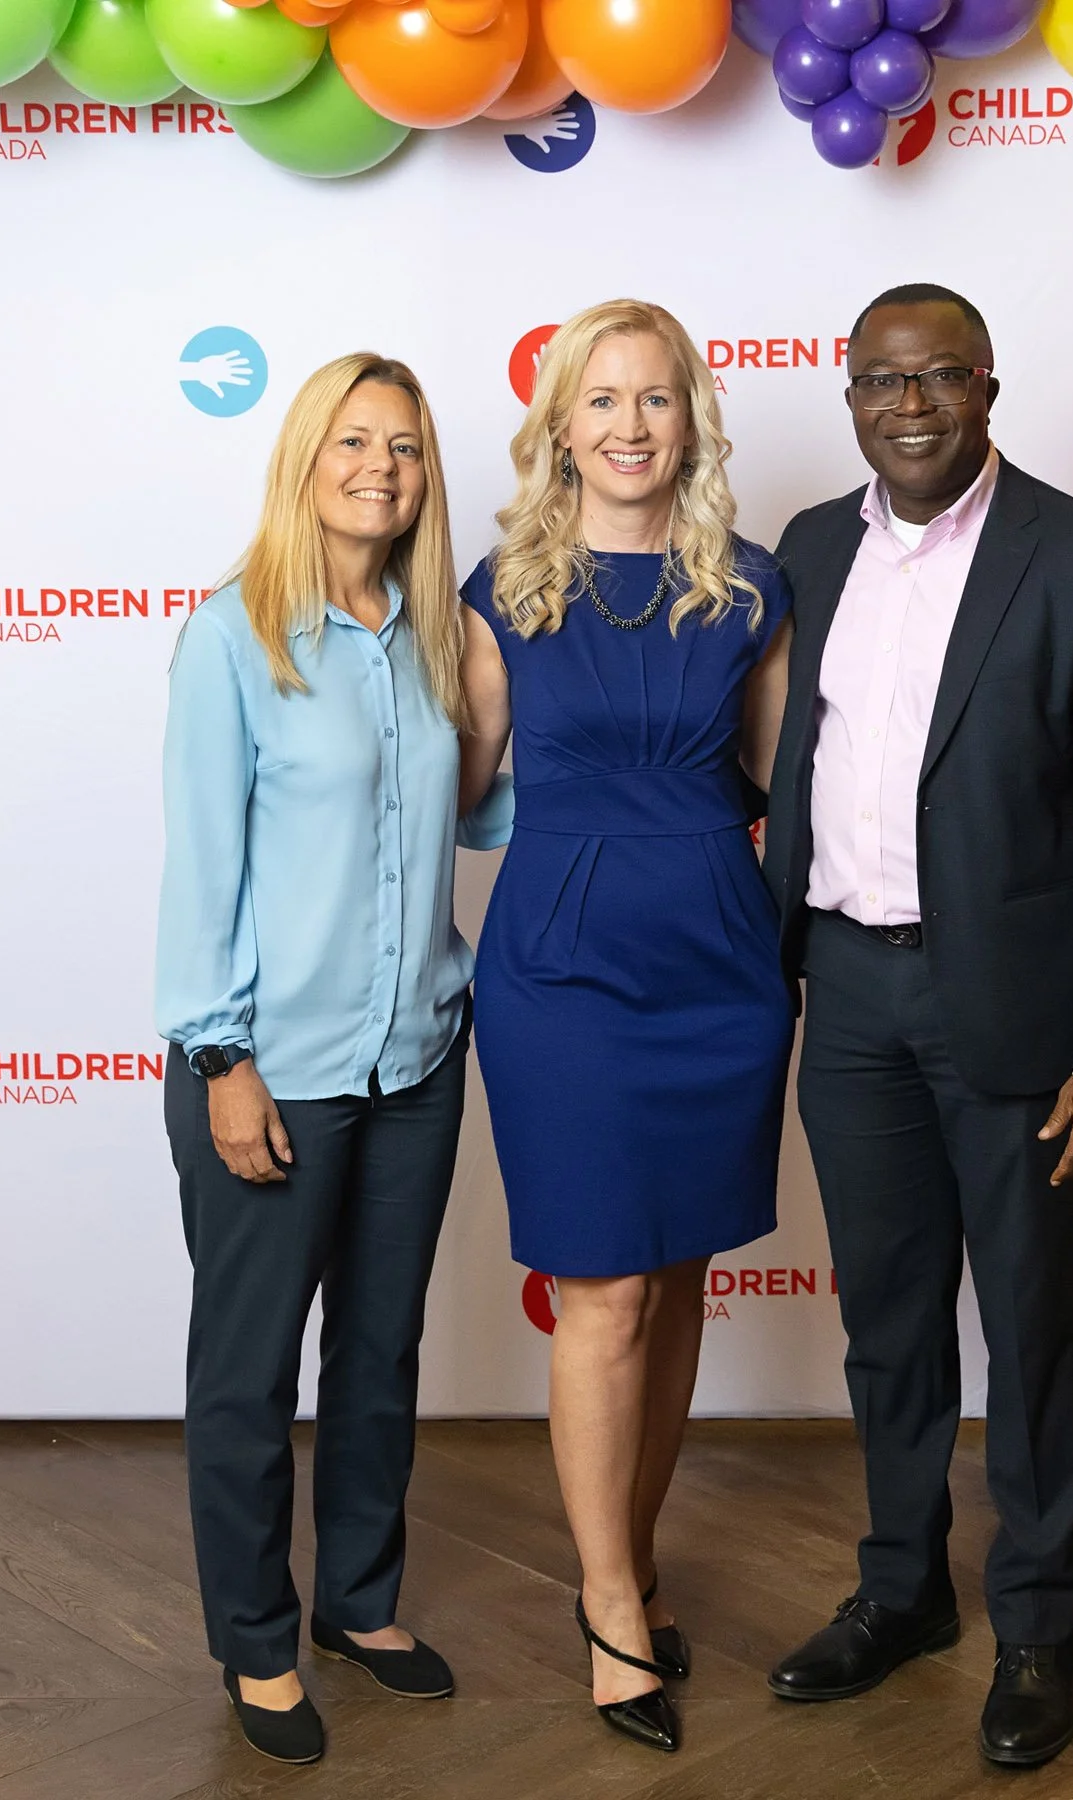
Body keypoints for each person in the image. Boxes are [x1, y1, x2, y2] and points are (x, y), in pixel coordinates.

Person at [762, 284, 1073, 1768]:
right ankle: (901, 1593)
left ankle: (1037, 1625)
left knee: (1031, 1328)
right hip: (849, 991)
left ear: (988, 388)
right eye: (885, 379)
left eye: (942, 375)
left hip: (1011, 1013)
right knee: (885, 1323)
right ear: (850, 394)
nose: (913, 403)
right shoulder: (810, 550)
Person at [156, 353, 508, 1766]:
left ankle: (359, 1602)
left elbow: (468, 830)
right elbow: (201, 868)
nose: (383, 467)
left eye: (407, 448)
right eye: (356, 441)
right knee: (250, 1372)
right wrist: (219, 1056)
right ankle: (253, 1639)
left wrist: (484, 707)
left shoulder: (430, 634)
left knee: (380, 1348)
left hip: (417, 1055)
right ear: (306, 457)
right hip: (271, 1068)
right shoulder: (233, 634)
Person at [458, 299, 793, 1756]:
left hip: (720, 961)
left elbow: (788, 790)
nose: (631, 426)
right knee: (600, 1295)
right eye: (603, 401)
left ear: (691, 418)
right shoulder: (502, 590)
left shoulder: (754, 589)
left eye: (656, 399)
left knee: (674, 1287)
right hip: (564, 970)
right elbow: (458, 784)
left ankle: (636, 1558)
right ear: (561, 425)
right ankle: (605, 1603)